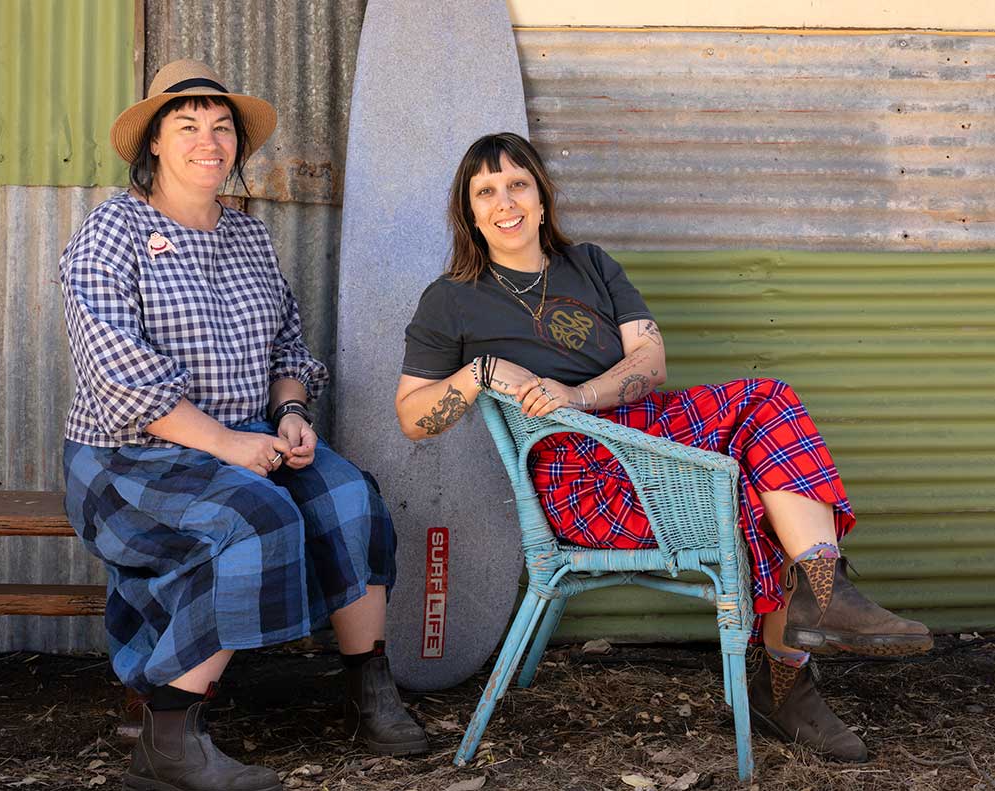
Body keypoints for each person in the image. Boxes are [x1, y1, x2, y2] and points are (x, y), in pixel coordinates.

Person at [394, 132, 933, 763]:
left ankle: (811, 616)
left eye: (518, 184)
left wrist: (578, 395)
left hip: (649, 437)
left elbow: (649, 361)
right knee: (762, 455)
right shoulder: (452, 299)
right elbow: (413, 419)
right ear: (470, 211)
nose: (504, 201)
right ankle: (796, 659)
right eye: (485, 191)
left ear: (542, 197)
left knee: (769, 438)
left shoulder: (591, 264)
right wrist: (480, 370)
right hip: (583, 480)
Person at [60, 60, 427, 791]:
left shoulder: (248, 239)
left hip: (248, 439)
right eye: (187, 126)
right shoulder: (112, 231)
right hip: (130, 457)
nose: (209, 140)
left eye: (222, 127)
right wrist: (230, 443)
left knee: (348, 494)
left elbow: (289, 347)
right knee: (255, 516)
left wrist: (289, 412)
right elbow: (120, 378)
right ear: (155, 145)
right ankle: (168, 735)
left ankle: (367, 685)